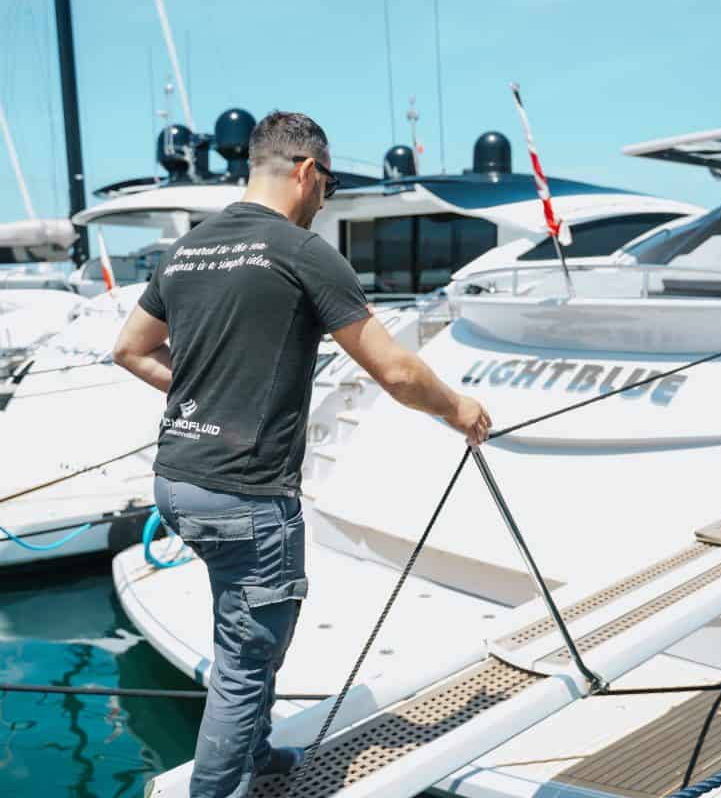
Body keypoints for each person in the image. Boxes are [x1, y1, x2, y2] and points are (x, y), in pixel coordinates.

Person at [112, 110, 491, 798]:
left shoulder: (188, 249)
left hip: (178, 481)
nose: (325, 200)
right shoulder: (301, 251)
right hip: (245, 494)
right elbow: (396, 372)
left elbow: (129, 350)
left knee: (247, 634)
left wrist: (205, 394)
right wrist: (458, 409)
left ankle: (254, 755)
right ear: (307, 171)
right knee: (245, 661)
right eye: (329, 186)